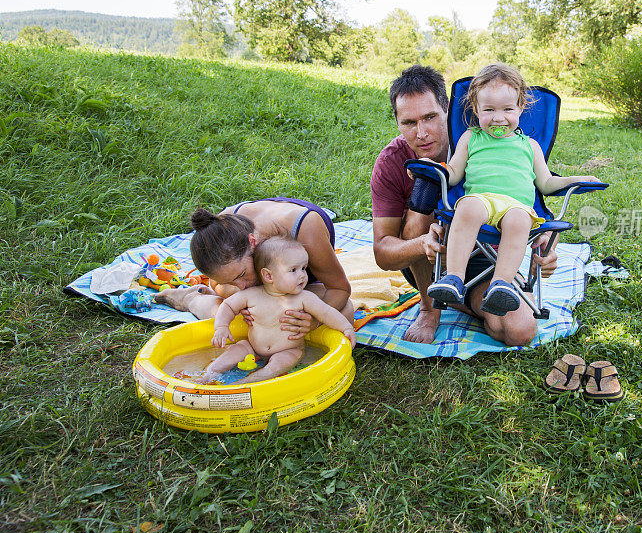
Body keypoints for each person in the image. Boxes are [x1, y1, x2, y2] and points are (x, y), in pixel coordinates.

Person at [370, 65, 558, 347]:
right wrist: (423, 243)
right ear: (396, 121)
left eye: (431, 117)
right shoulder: (391, 162)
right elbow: (383, 253)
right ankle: (429, 308)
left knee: (519, 330)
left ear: (448, 110)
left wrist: (543, 240)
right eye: (409, 122)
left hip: (486, 256)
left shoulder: (496, 144)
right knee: (424, 195)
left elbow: (525, 192)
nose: (422, 133)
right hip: (427, 259)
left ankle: (472, 297)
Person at [425, 63, 601, 316]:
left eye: (508, 109)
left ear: (520, 108)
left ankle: (502, 285)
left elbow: (547, 183)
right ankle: (452, 278)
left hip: (516, 206)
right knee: (467, 206)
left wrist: (576, 179)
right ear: (476, 109)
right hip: (481, 201)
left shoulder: (530, 146)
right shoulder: (471, 138)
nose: (499, 118)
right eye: (489, 110)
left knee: (521, 218)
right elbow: (452, 175)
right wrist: (432, 167)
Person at [155, 198, 354, 339]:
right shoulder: (219, 230)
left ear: (253, 242)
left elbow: (340, 289)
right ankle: (192, 299)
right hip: (265, 292)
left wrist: (313, 320)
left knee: (345, 311)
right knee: (236, 316)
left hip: (297, 285)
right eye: (231, 281)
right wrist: (244, 300)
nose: (241, 286)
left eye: (242, 275)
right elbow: (219, 286)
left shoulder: (304, 229)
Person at [200, 234, 356, 384]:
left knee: (280, 364)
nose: (302, 275)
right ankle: (207, 376)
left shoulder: (304, 298)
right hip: (252, 348)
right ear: (268, 276)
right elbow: (228, 306)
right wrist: (221, 326)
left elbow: (327, 313)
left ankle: (247, 383)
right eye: (294, 270)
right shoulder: (251, 295)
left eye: (304, 268)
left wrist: (346, 327)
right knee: (235, 351)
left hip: (288, 350)